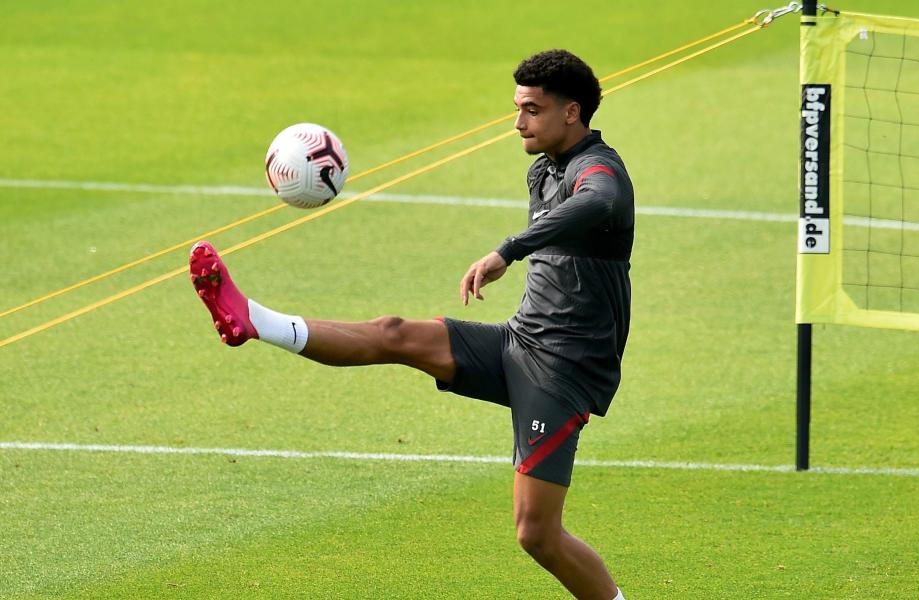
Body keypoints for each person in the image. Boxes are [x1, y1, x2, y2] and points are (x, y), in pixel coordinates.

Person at [190, 48, 633, 600]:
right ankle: (255, 320)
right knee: (395, 333)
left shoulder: (601, 170)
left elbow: (601, 201)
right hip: (520, 341)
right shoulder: (543, 168)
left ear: (572, 113)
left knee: (536, 534)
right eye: (516, 108)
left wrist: (507, 251)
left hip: (562, 371)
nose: (518, 122)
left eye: (532, 110)